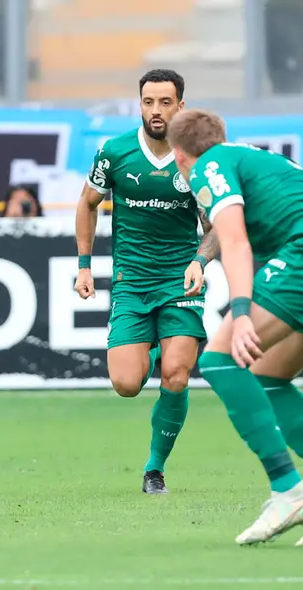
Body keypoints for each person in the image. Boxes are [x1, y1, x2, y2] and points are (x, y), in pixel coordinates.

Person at [74, 69, 219, 495]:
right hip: (132, 282)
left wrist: (200, 260)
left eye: (164, 102)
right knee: (126, 385)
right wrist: (84, 265)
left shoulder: (196, 158)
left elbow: (213, 225)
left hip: (180, 281)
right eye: (148, 102)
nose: (155, 111)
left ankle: (154, 469)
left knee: (176, 374)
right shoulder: (114, 152)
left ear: (181, 106)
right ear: (139, 104)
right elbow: (87, 204)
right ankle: (153, 344)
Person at [169, 108, 303, 545]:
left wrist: (242, 312)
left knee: (223, 359)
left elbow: (236, 242)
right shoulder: (246, 159)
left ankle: (287, 488)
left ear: (179, 155)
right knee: (267, 374)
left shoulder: (208, 167)